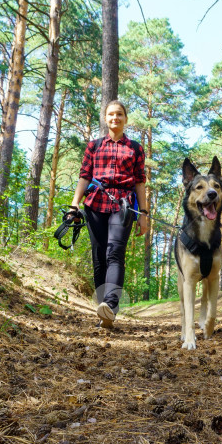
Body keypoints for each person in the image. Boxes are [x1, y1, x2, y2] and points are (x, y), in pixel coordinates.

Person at [69, 100, 149, 328]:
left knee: (115, 253)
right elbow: (84, 176)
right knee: (99, 258)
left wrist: (143, 214)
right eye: (111, 114)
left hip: (123, 206)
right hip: (95, 204)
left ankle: (110, 307)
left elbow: (140, 183)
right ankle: (103, 311)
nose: (115, 118)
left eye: (120, 114)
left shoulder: (135, 148)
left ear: (126, 119)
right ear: (106, 118)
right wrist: (74, 206)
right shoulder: (93, 146)